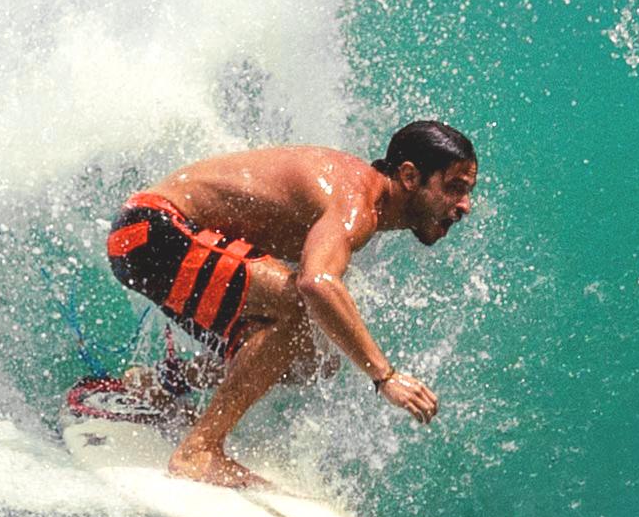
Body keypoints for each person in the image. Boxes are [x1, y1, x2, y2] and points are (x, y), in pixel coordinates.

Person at [95, 121, 477, 490]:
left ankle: (160, 382)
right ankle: (198, 451)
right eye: (454, 188)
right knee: (298, 306)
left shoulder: (360, 199)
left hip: (150, 239)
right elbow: (315, 283)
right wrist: (385, 377)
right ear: (410, 177)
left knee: (314, 361)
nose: (465, 206)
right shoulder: (356, 204)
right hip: (152, 230)